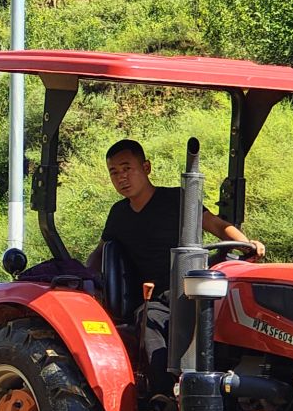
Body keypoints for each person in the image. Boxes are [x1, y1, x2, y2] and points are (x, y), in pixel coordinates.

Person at [90, 138, 263, 366]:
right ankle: (165, 392)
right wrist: (81, 279)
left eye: (127, 169)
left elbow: (218, 226)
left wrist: (246, 243)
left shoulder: (177, 200)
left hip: (196, 290)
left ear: (146, 168)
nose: (121, 177)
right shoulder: (118, 214)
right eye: (114, 172)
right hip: (157, 298)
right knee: (148, 318)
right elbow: (100, 253)